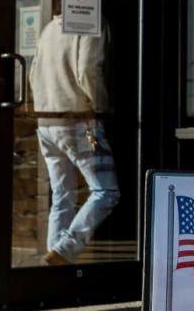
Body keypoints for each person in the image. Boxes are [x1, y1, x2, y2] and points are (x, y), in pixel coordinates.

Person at [29, 14, 120, 265]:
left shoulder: (49, 28)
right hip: (77, 121)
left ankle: (55, 261)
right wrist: (101, 108)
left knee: (62, 195)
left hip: (46, 122)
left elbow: (33, 73)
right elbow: (88, 69)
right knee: (106, 191)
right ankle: (65, 249)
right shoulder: (89, 20)